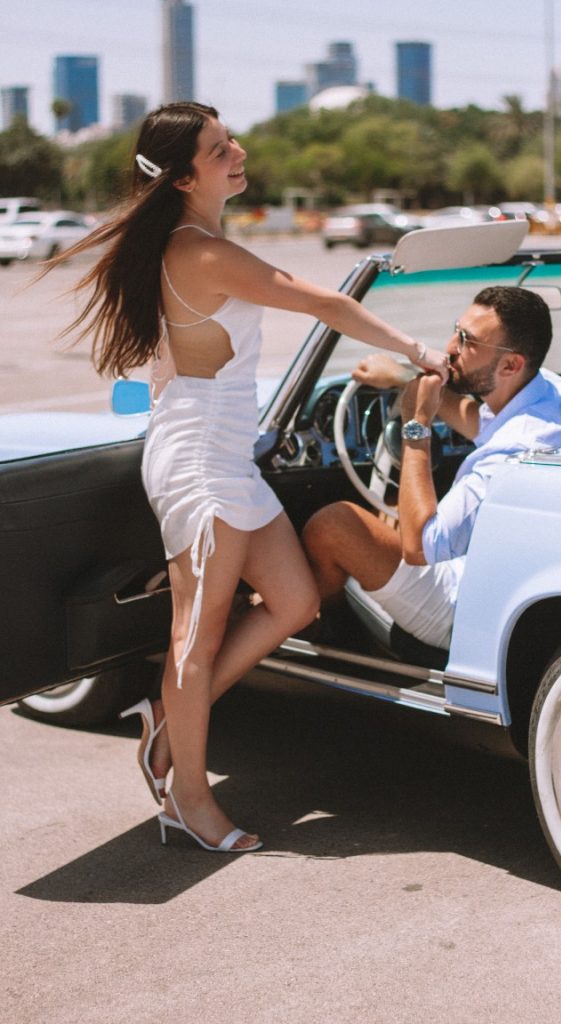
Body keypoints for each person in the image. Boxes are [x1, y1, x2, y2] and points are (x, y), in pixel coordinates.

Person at [44, 101, 448, 853]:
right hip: (201, 465)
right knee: (193, 640)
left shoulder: (194, 243)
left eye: (230, 140)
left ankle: (168, 723)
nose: (238, 153)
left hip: (226, 457)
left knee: (294, 601)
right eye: (218, 148)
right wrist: (420, 352)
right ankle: (187, 797)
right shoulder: (199, 251)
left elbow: (181, 357)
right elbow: (324, 302)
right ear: (182, 177)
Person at [302, 286, 561, 654]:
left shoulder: (513, 453)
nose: (450, 348)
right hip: (518, 586)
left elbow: (420, 548)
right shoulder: (549, 393)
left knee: (334, 525)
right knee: (393, 504)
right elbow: (479, 422)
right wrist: (404, 377)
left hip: (467, 609)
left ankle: (321, 631)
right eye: (457, 331)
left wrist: (417, 424)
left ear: (510, 365)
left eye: (467, 342)